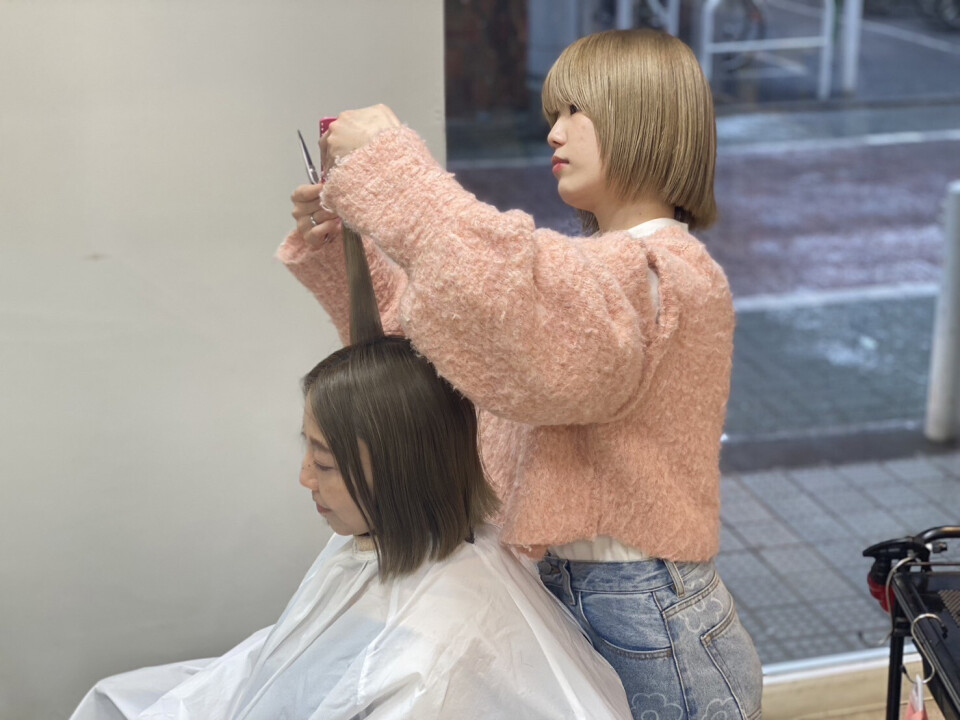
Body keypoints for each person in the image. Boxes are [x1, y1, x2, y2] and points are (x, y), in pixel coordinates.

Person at [285, 28, 763, 720]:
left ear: (644, 119)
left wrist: (395, 176)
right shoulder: (600, 278)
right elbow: (449, 344)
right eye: (552, 115)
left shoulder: (665, 275)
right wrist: (343, 243)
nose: (553, 133)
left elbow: (523, 335)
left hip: (644, 619)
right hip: (574, 595)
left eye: (575, 111)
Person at [68, 232, 633, 719]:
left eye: (324, 463)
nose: (304, 479)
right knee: (114, 698)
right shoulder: (382, 548)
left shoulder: (442, 646)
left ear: (399, 470)